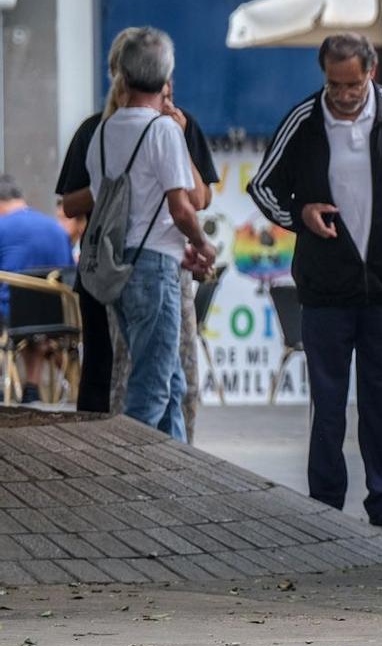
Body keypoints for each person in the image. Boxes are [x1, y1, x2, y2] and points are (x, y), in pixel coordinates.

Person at [248, 33, 382, 536]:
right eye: (334, 84)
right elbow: (262, 185)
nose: (344, 95)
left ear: (372, 71)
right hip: (325, 289)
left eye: (354, 83)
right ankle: (325, 502)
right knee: (328, 402)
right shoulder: (304, 119)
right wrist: (300, 215)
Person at [58, 30, 218, 422]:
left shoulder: (108, 132)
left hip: (121, 265)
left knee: (170, 382)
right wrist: (202, 242)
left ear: (123, 78)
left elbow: (195, 198)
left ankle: (172, 473)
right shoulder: (155, 130)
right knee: (148, 386)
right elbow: (184, 207)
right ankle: (138, 473)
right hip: (152, 265)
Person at [0, 174, 81, 401]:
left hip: (11, 317)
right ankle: (32, 387)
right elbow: (68, 274)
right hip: (57, 318)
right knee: (33, 320)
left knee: (20, 311)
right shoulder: (56, 230)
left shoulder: (2, 227)